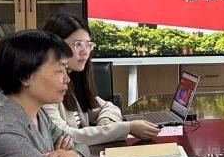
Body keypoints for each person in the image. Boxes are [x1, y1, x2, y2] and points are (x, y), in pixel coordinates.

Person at [42, 14, 159, 145]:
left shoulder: (74, 79)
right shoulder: (43, 88)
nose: (85, 52)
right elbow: (64, 136)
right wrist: (127, 128)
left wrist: (106, 122)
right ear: (56, 45)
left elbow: (108, 107)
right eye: (78, 44)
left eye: (88, 45)